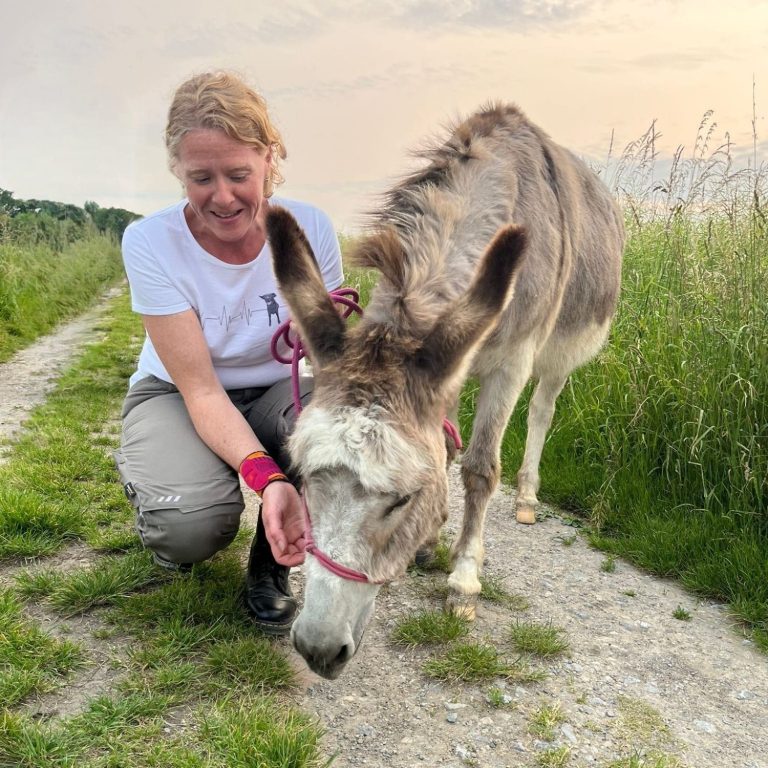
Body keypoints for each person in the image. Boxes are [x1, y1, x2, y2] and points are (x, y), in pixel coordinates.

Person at [114, 70, 344, 635]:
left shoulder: (310, 227)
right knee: (190, 529)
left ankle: (271, 564)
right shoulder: (149, 242)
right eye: (201, 177)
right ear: (177, 170)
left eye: (239, 174)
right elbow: (200, 390)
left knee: (336, 440)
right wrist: (266, 475)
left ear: (268, 156)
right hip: (179, 393)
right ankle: (166, 494)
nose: (222, 196)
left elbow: (332, 367)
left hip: (279, 387)